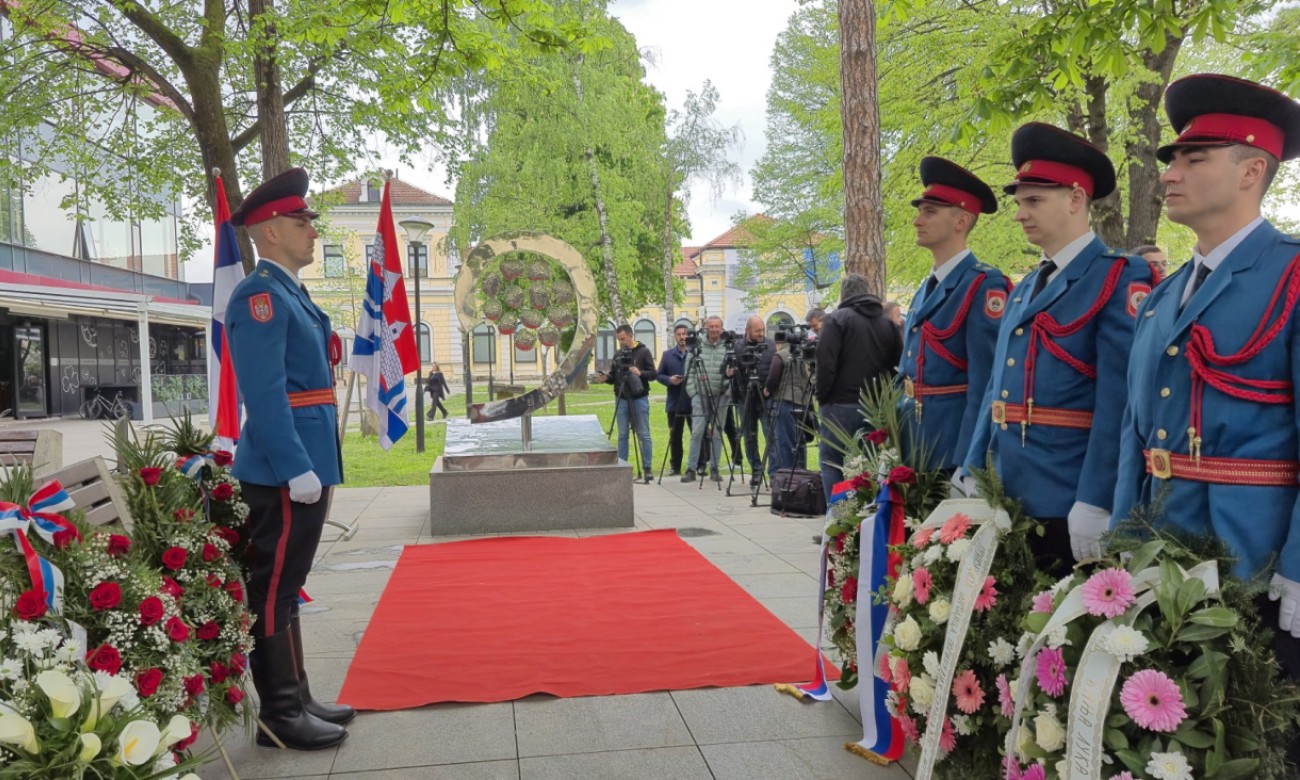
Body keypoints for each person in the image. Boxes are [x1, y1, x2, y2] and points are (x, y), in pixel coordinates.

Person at [1110, 75, 1300, 738]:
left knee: (1250, 744)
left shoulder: (1292, 275)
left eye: (1195, 158)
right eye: (1172, 161)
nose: (1171, 174)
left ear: (1252, 170)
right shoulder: (1162, 299)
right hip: (1159, 559)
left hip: (1254, 562)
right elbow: (1137, 435)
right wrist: (1118, 547)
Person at [961, 122, 1153, 576]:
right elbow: (997, 388)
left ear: (1075, 199)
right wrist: (972, 467)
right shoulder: (1026, 286)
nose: (1020, 214)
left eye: (1034, 201)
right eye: (1019, 202)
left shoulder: (1118, 276)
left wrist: (1097, 497)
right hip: (1006, 489)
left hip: (1066, 493)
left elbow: (1118, 402)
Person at [225, 167, 351, 750]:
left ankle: (297, 694)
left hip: (307, 459)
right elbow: (265, 391)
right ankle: (277, 714)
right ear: (269, 230)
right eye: (301, 222)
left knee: (290, 580)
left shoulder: (289, 293)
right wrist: (295, 463)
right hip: (283, 467)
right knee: (272, 586)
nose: (311, 231)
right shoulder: (259, 296)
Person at [900, 157, 1007, 482]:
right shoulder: (926, 287)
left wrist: (969, 463)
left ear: (961, 221)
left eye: (930, 211)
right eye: (920, 210)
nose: (918, 220)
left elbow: (985, 383)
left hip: (949, 453)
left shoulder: (982, 284)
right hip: (913, 448)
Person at [815, 273, 903, 503]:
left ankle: (837, 521)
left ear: (844, 294)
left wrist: (823, 398)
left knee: (832, 463)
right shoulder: (887, 324)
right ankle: (866, 523)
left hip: (840, 405)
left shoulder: (836, 320)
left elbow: (826, 364)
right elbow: (897, 366)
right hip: (876, 408)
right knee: (872, 466)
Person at [596, 324, 655, 482]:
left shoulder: (643, 352)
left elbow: (653, 374)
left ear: (631, 335)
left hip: (639, 397)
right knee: (622, 434)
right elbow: (615, 377)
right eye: (618, 339)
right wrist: (606, 378)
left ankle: (647, 468)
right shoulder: (617, 355)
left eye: (623, 338)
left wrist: (640, 372)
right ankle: (622, 466)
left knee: (644, 434)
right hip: (621, 397)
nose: (621, 342)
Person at [684, 315, 735, 483]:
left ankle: (714, 468)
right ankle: (692, 468)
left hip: (721, 395)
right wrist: (693, 393)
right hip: (700, 395)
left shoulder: (728, 347)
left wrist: (727, 387)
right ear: (706, 328)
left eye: (717, 326)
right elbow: (689, 372)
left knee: (717, 433)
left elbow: (733, 372)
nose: (714, 329)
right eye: (711, 326)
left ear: (721, 328)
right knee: (697, 431)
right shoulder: (696, 346)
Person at [732, 315, 776, 486]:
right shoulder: (737, 347)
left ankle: (773, 472)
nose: (761, 334)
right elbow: (726, 370)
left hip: (766, 397)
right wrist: (729, 372)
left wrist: (770, 388)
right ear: (747, 331)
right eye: (757, 330)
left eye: (763, 330)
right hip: (745, 398)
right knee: (750, 437)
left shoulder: (770, 345)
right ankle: (756, 471)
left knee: (770, 435)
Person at [766, 327, 814, 475]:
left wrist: (767, 389)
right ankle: (801, 474)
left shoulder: (780, 355)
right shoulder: (805, 355)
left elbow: (773, 377)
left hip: (785, 401)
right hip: (803, 402)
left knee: (785, 441)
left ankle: (787, 476)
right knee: (800, 442)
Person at [656, 324, 694, 476]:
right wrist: (669, 380)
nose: (682, 337)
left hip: (692, 400)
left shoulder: (695, 353)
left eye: (685, 334)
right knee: (675, 436)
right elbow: (658, 375)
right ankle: (675, 466)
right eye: (679, 334)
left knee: (698, 434)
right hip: (674, 401)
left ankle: (700, 464)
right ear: (674, 336)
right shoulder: (667, 355)